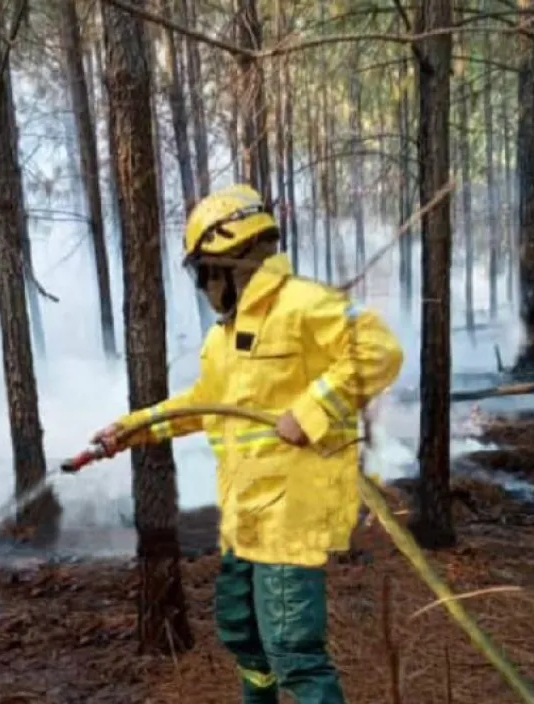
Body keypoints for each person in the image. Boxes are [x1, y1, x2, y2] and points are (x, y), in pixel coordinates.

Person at [90, 183, 404, 703]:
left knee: (292, 651)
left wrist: (311, 411)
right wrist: (131, 429)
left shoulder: (304, 303)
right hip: (247, 514)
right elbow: (204, 405)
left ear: (231, 260)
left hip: (291, 512)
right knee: (244, 635)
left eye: (207, 272)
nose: (205, 285)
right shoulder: (224, 338)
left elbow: (380, 351)